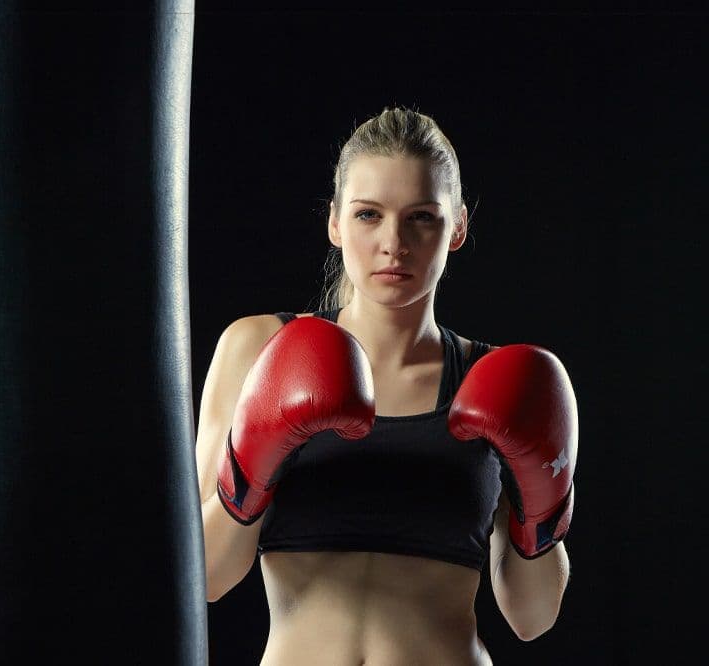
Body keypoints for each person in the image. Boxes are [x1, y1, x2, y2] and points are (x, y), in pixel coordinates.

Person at [195, 106, 578, 665]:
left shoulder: (499, 381)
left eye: (420, 216)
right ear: (335, 222)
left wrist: (542, 508)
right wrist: (251, 465)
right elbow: (205, 578)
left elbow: (532, 617)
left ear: (457, 227)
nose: (393, 242)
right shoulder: (257, 348)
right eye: (368, 214)